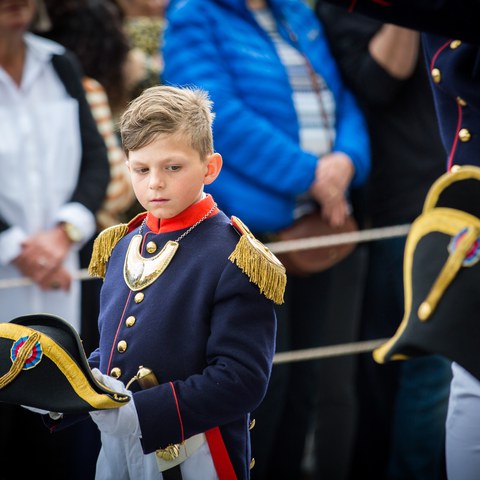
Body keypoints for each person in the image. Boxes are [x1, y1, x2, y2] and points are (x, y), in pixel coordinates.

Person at [161, 1, 371, 478]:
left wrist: (346, 163)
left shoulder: (297, 11)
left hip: (320, 229)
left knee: (306, 385)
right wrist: (310, 174)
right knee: (259, 392)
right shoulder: (195, 14)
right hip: (248, 243)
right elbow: (217, 119)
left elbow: (344, 98)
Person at [44, 84, 284, 480]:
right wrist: (66, 390)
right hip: (119, 451)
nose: (154, 182)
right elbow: (113, 354)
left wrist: (140, 413)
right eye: (141, 169)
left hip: (194, 453)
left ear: (210, 167)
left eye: (172, 167)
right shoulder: (121, 245)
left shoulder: (234, 256)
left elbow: (242, 379)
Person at [315, 0, 480, 478]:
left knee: (438, 376)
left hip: (447, 204)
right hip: (407, 203)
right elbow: (380, 80)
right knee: (425, 369)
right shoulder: (335, 13)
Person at [0, 0, 110, 477]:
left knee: (67, 430)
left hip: (64, 270)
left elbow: (96, 161)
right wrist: (16, 247)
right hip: (7, 275)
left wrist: (65, 232)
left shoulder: (59, 63)